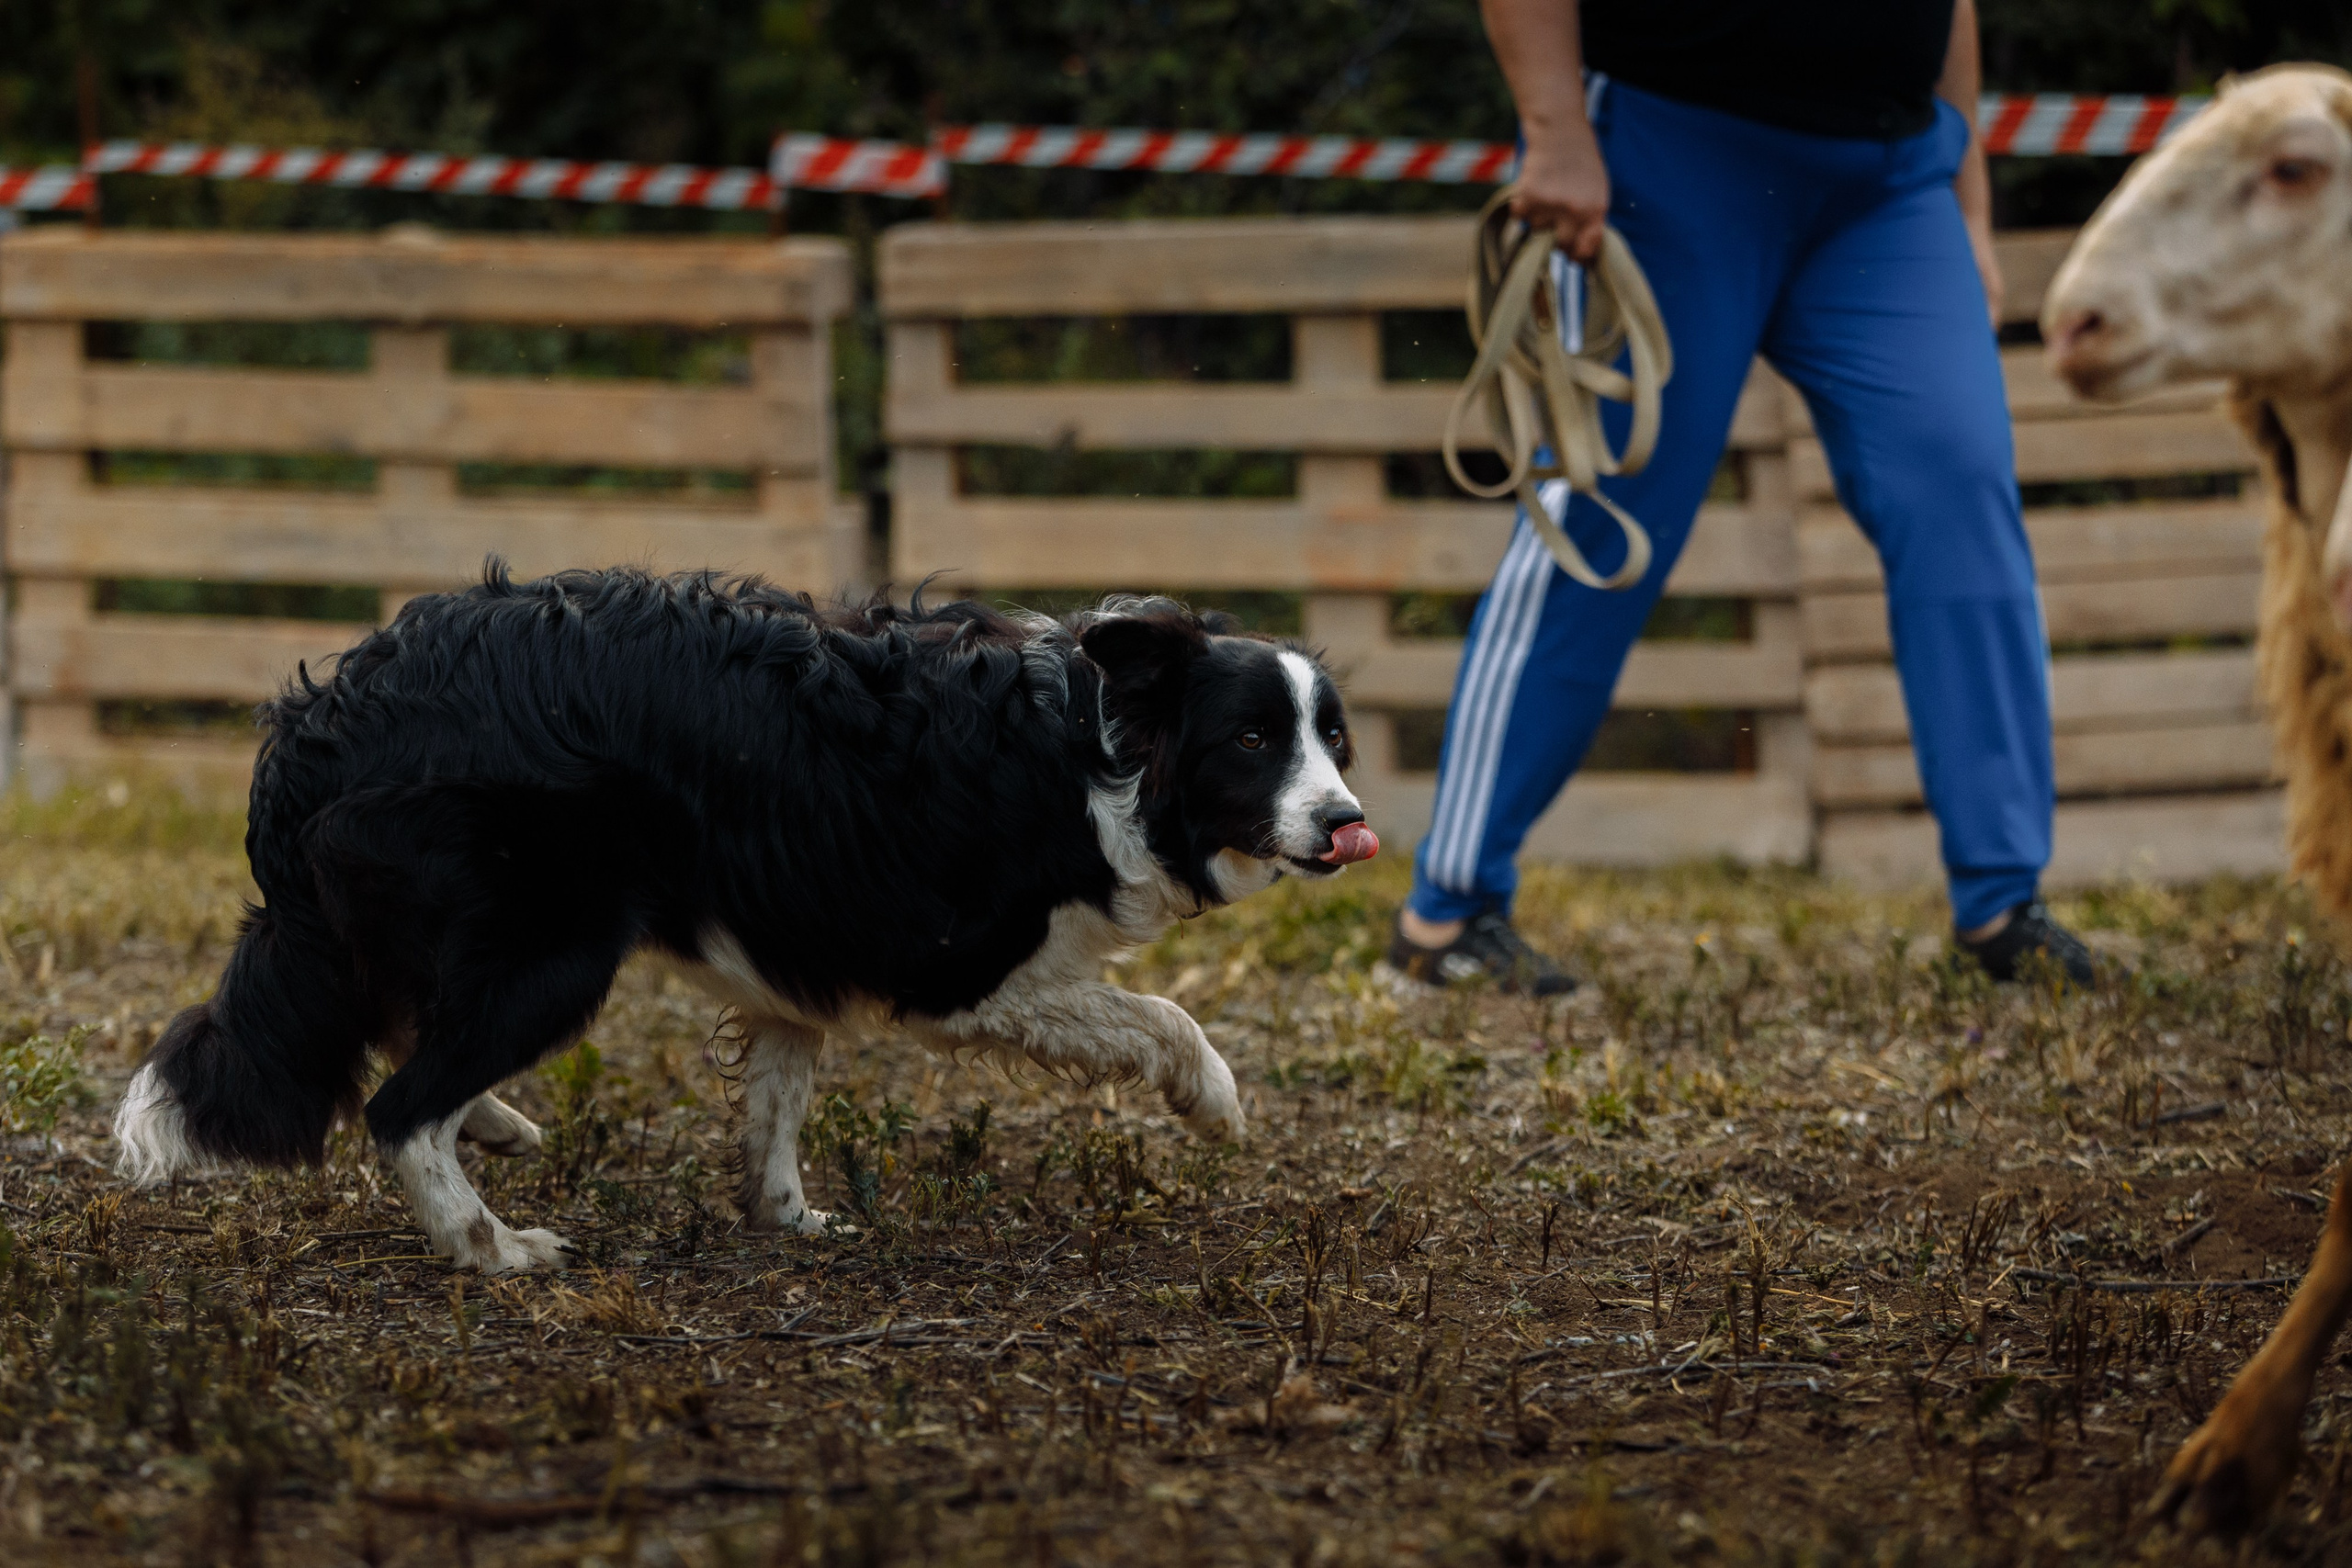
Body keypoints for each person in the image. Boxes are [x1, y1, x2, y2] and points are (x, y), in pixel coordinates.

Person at [1386, 0, 2098, 995]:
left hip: (1890, 182)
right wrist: (1554, 132)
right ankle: (1447, 912)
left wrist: (1968, 205)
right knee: (1604, 519)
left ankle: (2001, 900)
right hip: (1665, 157)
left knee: (1959, 489)